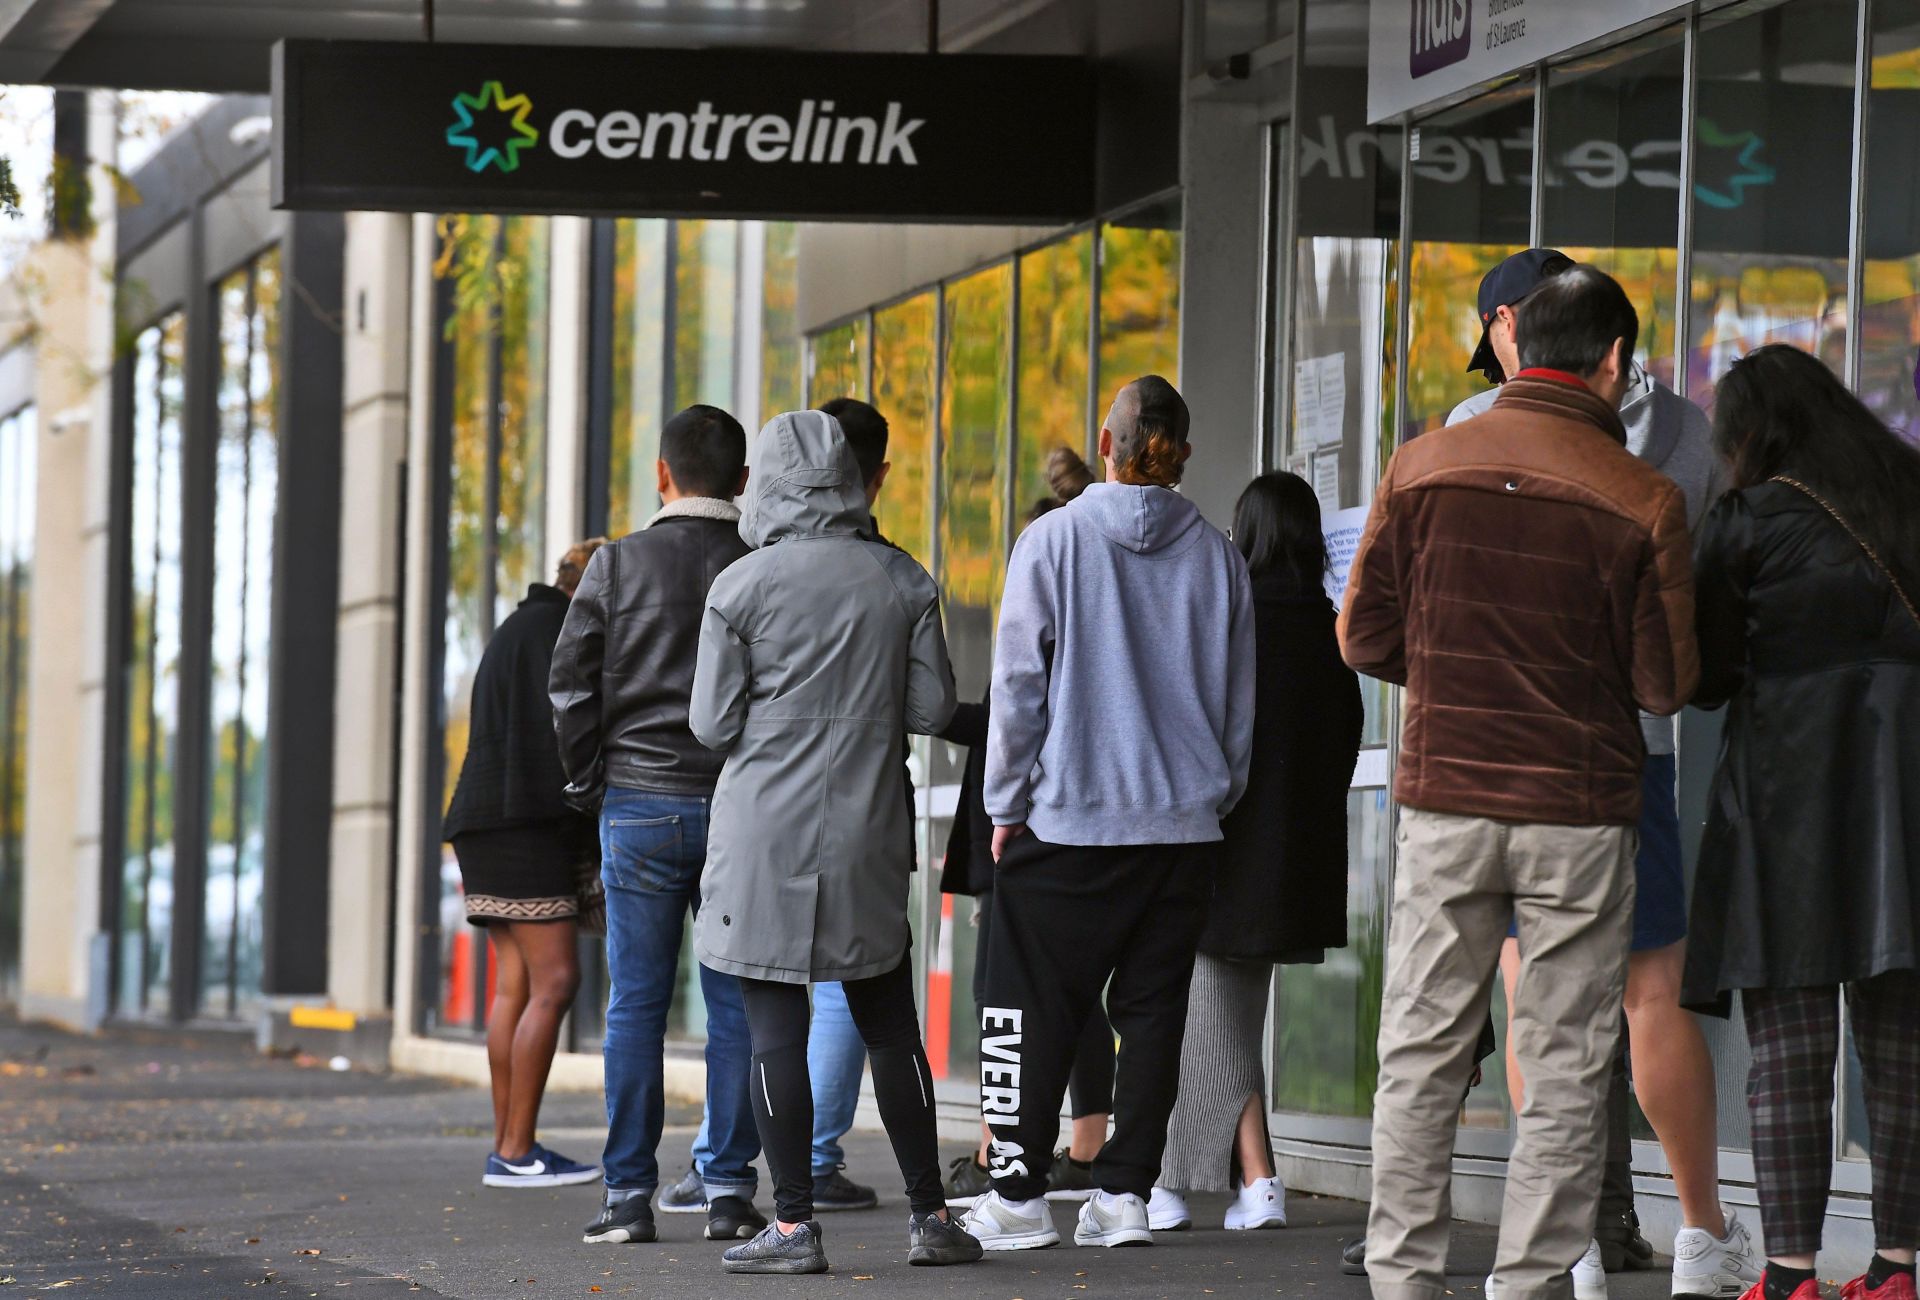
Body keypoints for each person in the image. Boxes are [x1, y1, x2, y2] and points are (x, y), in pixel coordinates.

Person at [1339, 265, 1697, 1300]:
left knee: (1420, 1049)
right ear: (1614, 362)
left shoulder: (1419, 465)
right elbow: (1664, 684)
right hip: (1580, 812)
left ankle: (1403, 1278)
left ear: (1513, 342)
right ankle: (1529, 1283)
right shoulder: (1643, 496)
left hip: (1446, 793)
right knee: (1570, 1059)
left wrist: (1454, 670)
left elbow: (1363, 635)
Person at [1450, 249, 1754, 1298]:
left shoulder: (1464, 437)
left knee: (1539, 996)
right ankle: (1702, 1236)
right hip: (1631, 749)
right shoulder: (1680, 439)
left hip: (1500, 759)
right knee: (1650, 993)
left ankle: (1566, 1235)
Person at [962, 375, 1256, 1252]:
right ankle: (1125, 1195)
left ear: (1106, 441)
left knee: (1027, 1002)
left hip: (1070, 822)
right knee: (1155, 1011)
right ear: (1183, 455)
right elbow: (1238, 711)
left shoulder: (1049, 543)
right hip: (1183, 831)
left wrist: (1003, 805)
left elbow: (1018, 688)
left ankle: (1016, 1194)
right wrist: (1212, 798)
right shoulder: (1219, 558)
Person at [690, 409, 981, 1275]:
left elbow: (711, 723)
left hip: (760, 834)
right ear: (853, 479)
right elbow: (932, 711)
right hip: (867, 828)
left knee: (773, 1025)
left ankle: (791, 1228)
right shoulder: (903, 581)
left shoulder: (738, 588)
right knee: (889, 1025)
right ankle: (931, 1215)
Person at [1685, 344, 1920, 1300]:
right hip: (1906, 788)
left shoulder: (1746, 519)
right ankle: (1899, 1269)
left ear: (1753, 432)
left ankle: (1789, 1277)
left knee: (1788, 1038)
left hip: (1789, 781)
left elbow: (1704, 677)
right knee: (1902, 1040)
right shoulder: (1909, 493)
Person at [547, 405, 768, 1246]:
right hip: (738, 808)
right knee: (736, 1006)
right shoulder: (758, 566)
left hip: (635, 802)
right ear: (743, 482)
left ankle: (627, 1197)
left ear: (662, 475)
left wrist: (587, 782)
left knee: (635, 1005)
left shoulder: (617, 567)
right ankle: (726, 1191)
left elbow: (570, 684)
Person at [1150, 472, 1363, 1235]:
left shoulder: (1231, 622)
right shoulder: (1335, 630)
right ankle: (1261, 1181)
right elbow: (1344, 746)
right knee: (1233, 1016)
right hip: (1299, 860)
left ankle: (1167, 1184)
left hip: (1225, 848)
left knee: (1207, 1016)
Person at [940, 454, 1117, 1209]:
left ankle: (1003, 1154)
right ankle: (1083, 1148)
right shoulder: (1102, 614)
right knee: (1079, 998)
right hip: (1086, 830)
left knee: (1003, 995)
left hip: (1027, 837)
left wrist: (1002, 819)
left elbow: (1014, 716)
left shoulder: (1043, 604)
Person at [444, 539, 608, 1192]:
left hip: (485, 824)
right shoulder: (555, 629)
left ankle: (511, 1146)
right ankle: (515, 1149)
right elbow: (564, 731)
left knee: (515, 986)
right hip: (524, 825)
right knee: (556, 980)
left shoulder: (518, 626)